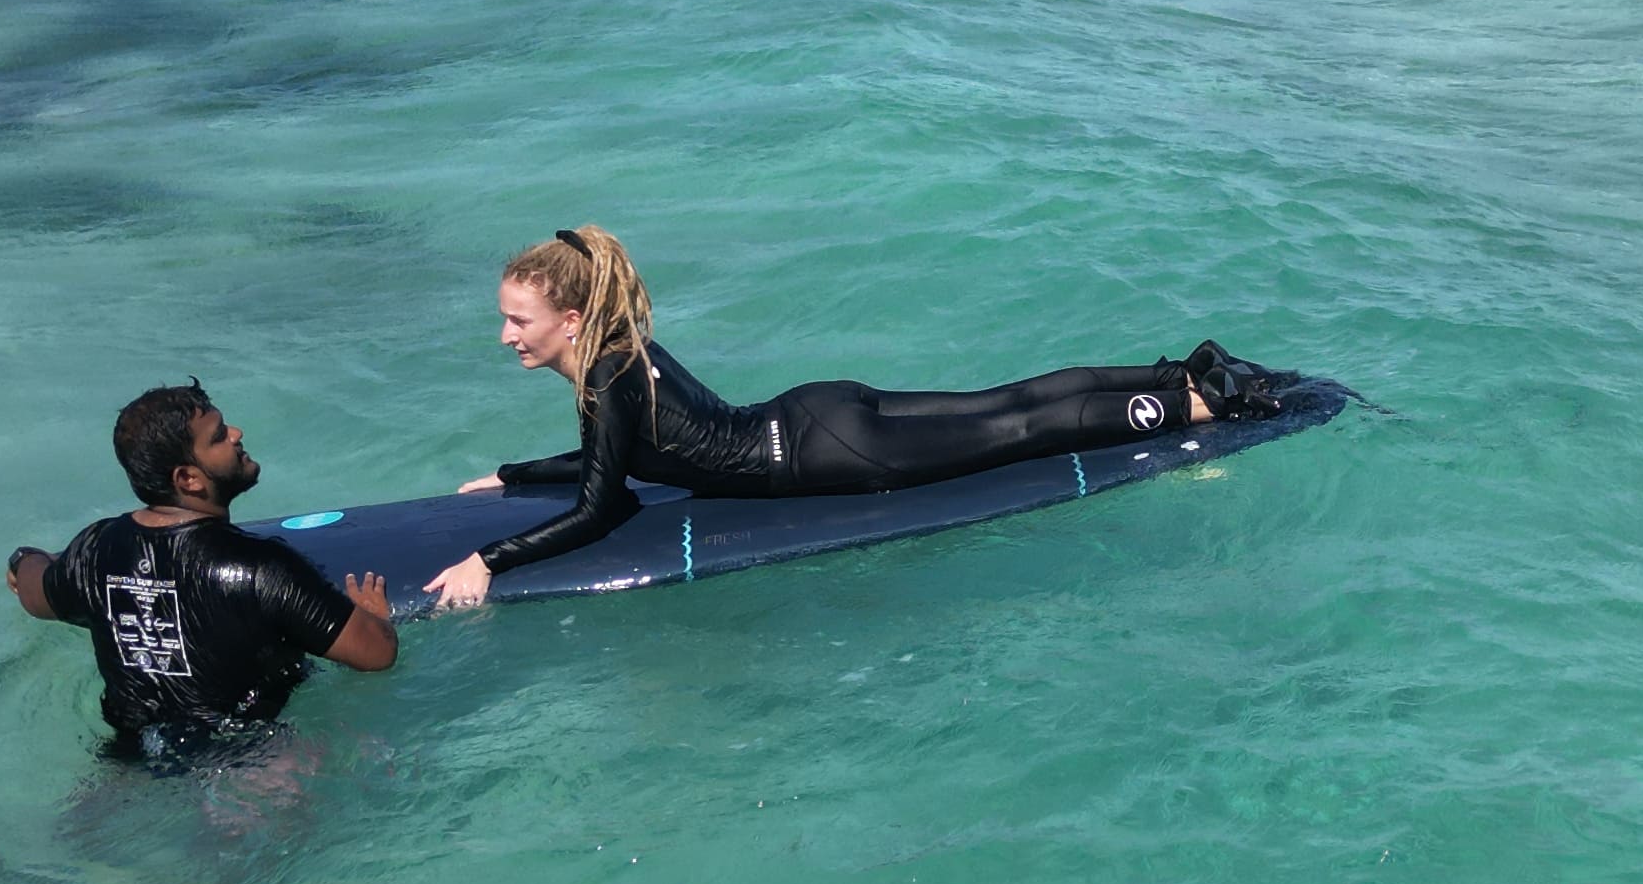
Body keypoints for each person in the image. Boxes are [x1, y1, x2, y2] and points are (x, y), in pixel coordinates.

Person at [417, 227, 1289, 608]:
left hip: (831, 453)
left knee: (1022, 430)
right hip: (815, 412)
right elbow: (617, 460)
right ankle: (1180, 369)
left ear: (568, 320)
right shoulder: (619, 349)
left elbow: (607, 502)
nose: (506, 337)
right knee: (1009, 400)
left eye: (517, 321)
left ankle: (1200, 403)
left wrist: (488, 561)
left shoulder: (606, 376)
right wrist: (517, 474)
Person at [10, 381, 397, 758]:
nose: (236, 434)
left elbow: (33, 593)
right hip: (250, 760)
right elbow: (376, 655)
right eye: (218, 436)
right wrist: (376, 618)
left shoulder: (94, 551)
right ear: (188, 479)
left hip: (131, 761)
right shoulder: (261, 569)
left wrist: (23, 559)